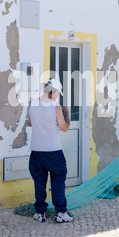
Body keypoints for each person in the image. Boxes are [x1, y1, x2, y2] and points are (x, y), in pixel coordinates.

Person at [27, 78, 73, 223]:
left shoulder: (32, 102)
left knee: (40, 183)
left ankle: (40, 213)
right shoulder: (56, 107)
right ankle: (61, 213)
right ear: (53, 91)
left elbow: (29, 123)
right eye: (57, 93)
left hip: (36, 151)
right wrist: (67, 114)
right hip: (53, 151)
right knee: (58, 181)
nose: (57, 96)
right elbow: (65, 128)